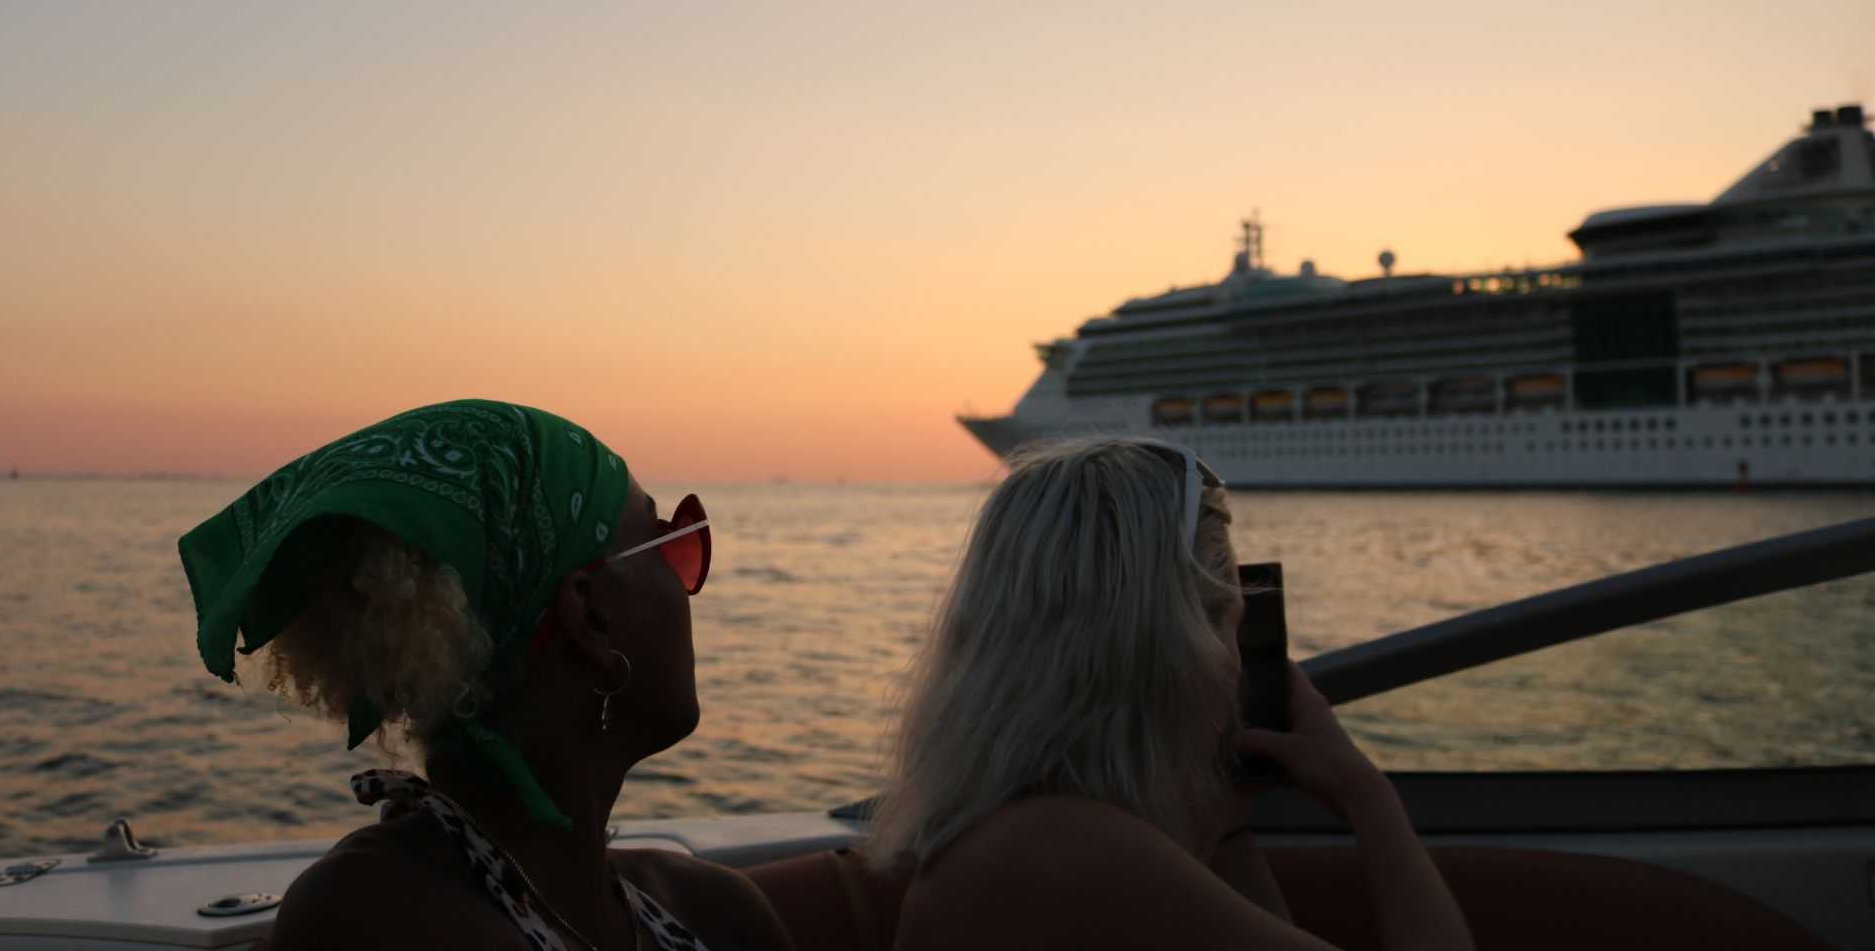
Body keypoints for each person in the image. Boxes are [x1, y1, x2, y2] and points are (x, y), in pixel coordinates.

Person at [179, 399, 792, 951]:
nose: (690, 580)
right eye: (668, 542)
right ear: (591, 616)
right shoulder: (372, 920)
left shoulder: (714, 906)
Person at [870, 438, 1474, 950]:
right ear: (1184, 641)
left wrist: (1219, 804)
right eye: (1233, 623)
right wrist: (1368, 796)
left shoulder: (1019, 828)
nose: (1238, 667)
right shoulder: (1072, 849)